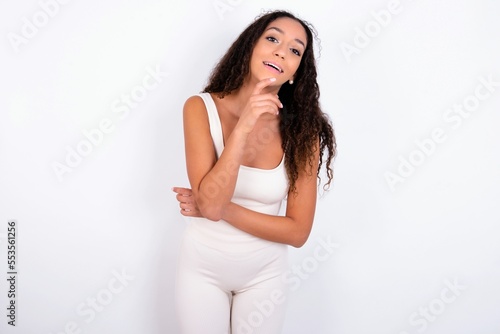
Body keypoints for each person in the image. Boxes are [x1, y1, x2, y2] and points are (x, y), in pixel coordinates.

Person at [172, 9, 337, 333]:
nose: (281, 51)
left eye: (294, 50)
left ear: (295, 71)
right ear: (250, 46)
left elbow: (297, 232)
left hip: (265, 278)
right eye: (273, 38)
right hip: (201, 273)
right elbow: (211, 204)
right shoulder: (199, 107)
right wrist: (245, 124)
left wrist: (216, 207)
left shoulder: (304, 131)